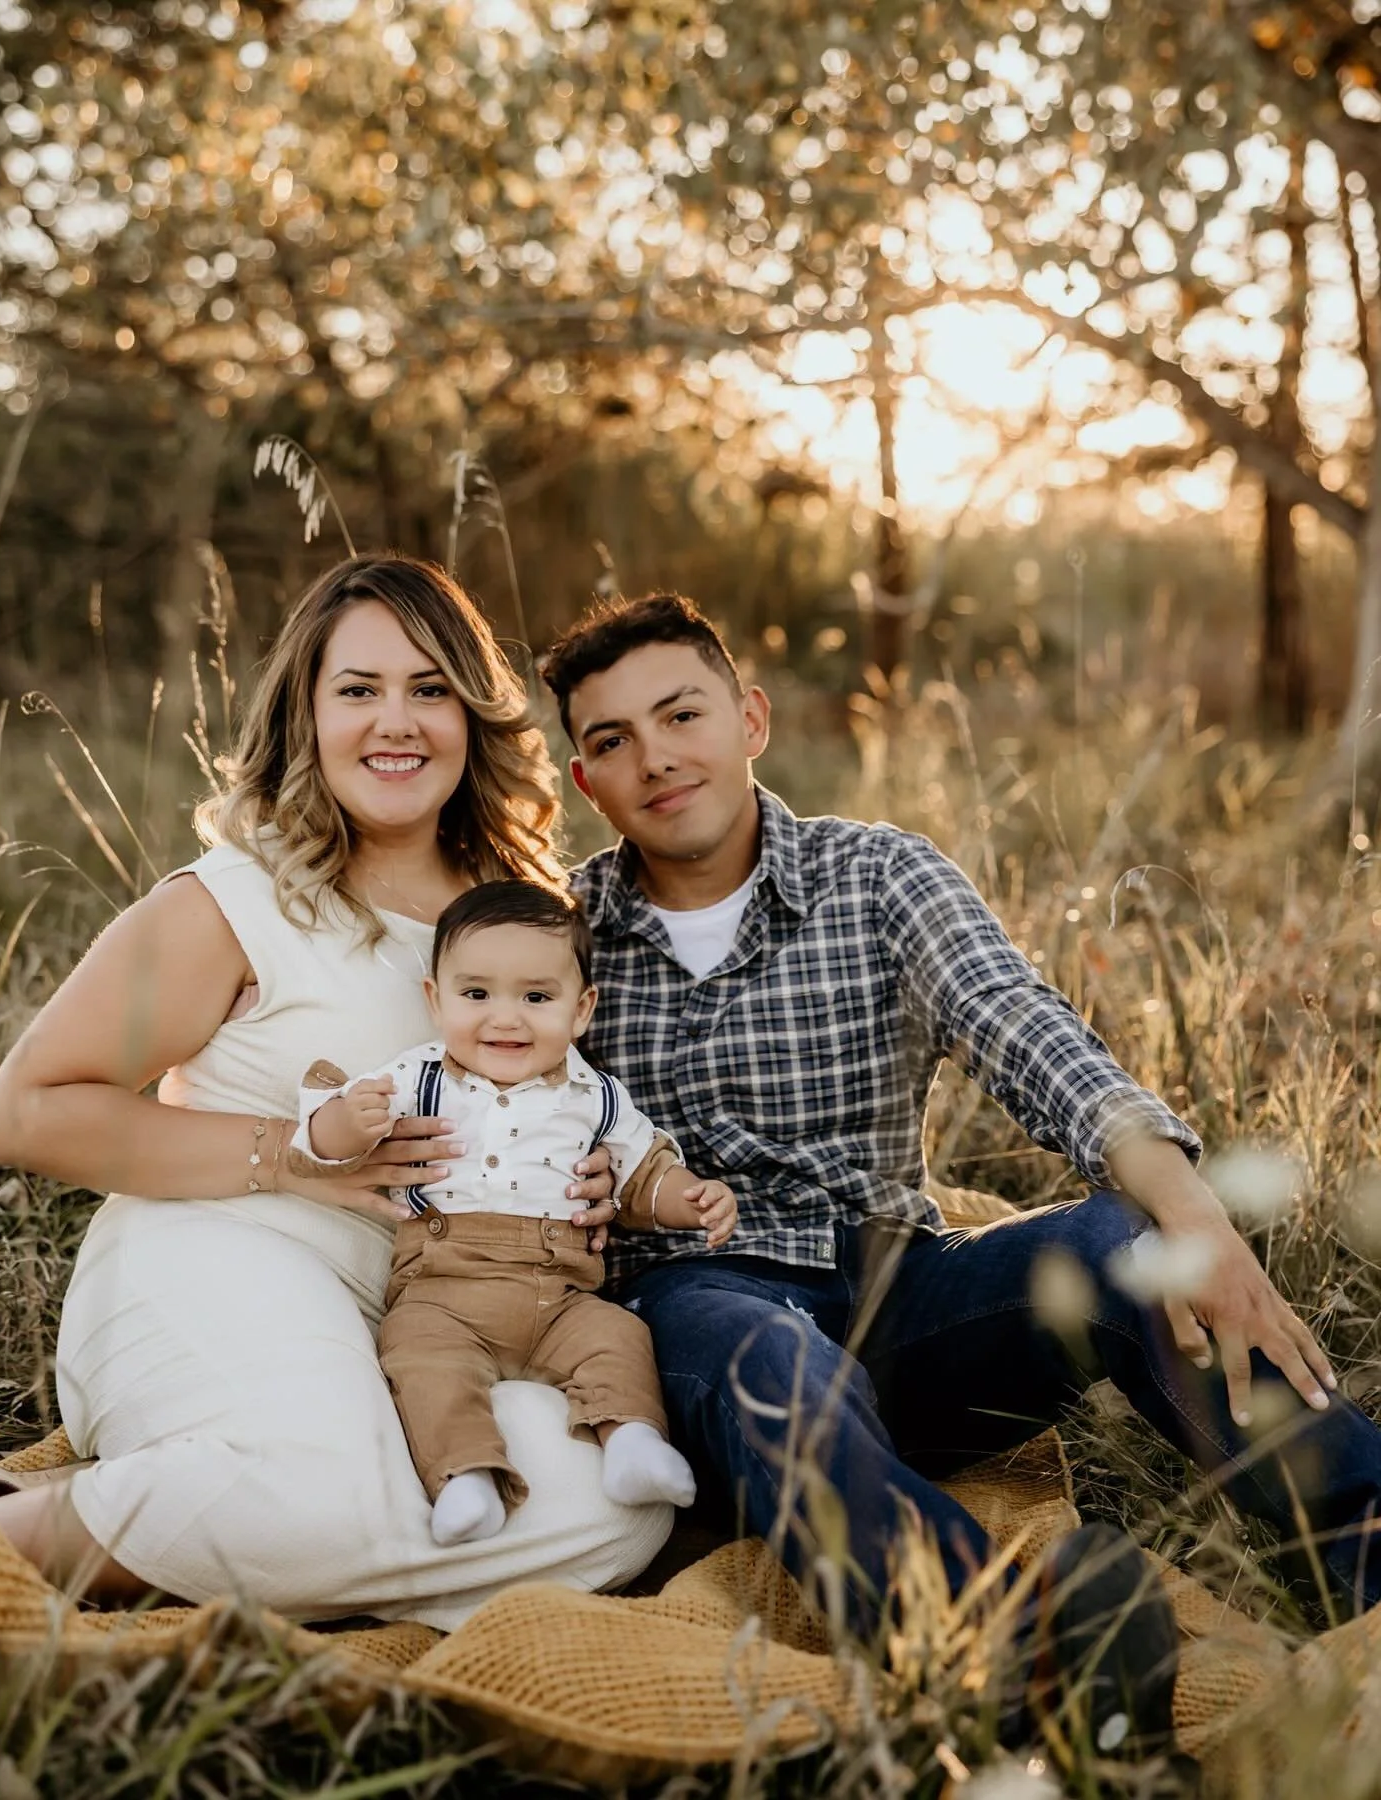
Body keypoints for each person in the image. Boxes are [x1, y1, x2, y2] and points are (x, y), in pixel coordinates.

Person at [539, 592, 1381, 1749]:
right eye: (611, 740)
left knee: (1125, 1245)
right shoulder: (560, 932)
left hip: (900, 1292)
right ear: (585, 780)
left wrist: (1194, 1215)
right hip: (702, 1310)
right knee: (766, 1352)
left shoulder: (879, 877)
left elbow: (1023, 1031)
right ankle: (1024, 1650)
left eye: (680, 714)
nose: (655, 758)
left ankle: (1363, 1553)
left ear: (751, 718)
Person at [0, 555, 672, 1628]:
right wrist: (287, 1157)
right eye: (359, 690)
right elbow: (24, 1112)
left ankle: (194, 1517)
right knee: (316, 1492)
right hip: (221, 1261)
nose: (397, 722)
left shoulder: (523, 914)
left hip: (436, 1320)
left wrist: (594, 1178)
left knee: (610, 1511)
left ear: (473, 717)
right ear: (307, 712)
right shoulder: (236, 902)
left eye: (430, 688)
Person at [290, 878, 736, 1547]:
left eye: (536, 997)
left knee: (618, 1339)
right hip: (443, 1288)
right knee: (418, 1356)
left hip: (560, 1295)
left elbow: (644, 1173)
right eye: (477, 995)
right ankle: (467, 1476)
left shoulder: (595, 1095)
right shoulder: (420, 1077)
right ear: (435, 1002)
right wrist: (345, 1124)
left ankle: (633, 1444)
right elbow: (318, 1143)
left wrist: (690, 1197)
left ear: (580, 1010)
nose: (506, 1018)